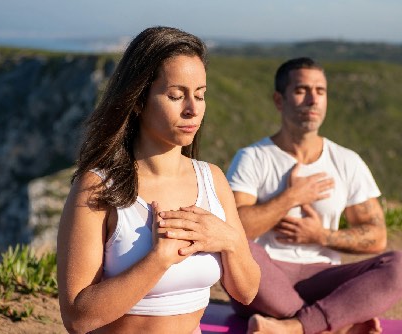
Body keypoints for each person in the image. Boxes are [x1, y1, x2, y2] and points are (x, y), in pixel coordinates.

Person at [56, 26, 260, 334]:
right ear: (138, 100)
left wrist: (230, 241)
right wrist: (157, 260)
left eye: (200, 95)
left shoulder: (212, 179)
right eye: (176, 96)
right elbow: (77, 318)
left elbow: (246, 292)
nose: (193, 109)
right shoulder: (98, 186)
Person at [226, 57, 402, 334]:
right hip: (265, 275)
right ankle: (335, 323)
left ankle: (293, 327)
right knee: (239, 251)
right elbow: (235, 229)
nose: (313, 100)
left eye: (320, 91)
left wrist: (320, 236)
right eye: (302, 90)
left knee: (401, 265)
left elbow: (377, 236)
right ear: (279, 100)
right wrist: (291, 197)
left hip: (322, 276)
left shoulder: (347, 161)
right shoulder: (252, 158)